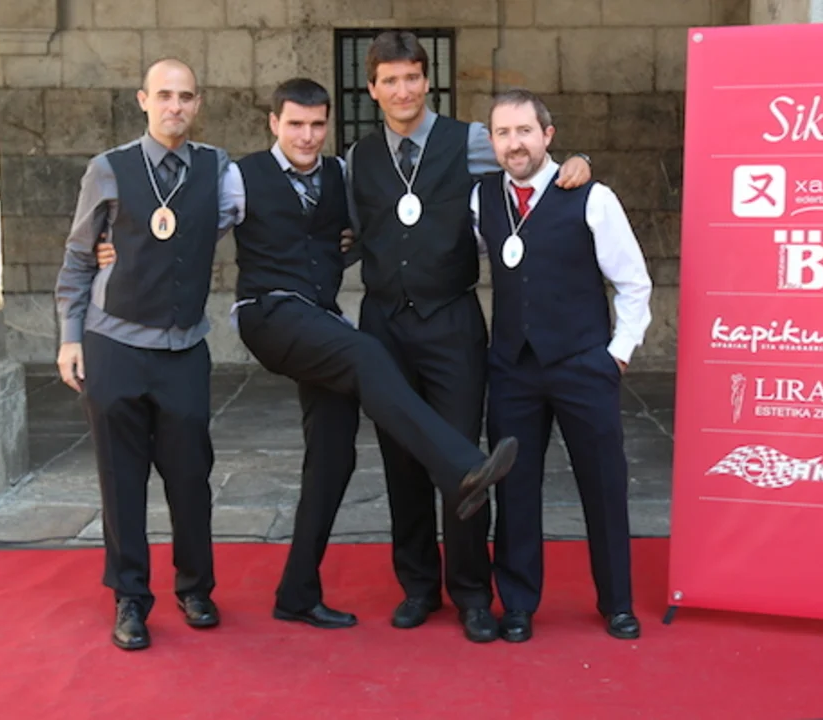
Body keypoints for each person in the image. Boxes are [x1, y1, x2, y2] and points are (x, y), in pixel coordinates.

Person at [95, 77, 521, 632]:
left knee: (334, 453)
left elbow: (377, 225)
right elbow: (186, 229)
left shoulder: (341, 173)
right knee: (367, 354)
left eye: (318, 125)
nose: (307, 135)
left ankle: (297, 591)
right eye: (295, 124)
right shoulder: (240, 178)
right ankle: (460, 465)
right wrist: (120, 249)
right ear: (274, 123)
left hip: (319, 319)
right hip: (268, 313)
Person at [346, 30, 592, 643]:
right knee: (400, 459)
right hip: (383, 326)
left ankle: (472, 594)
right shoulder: (359, 158)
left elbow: (529, 162)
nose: (403, 90)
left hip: (451, 322)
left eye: (412, 77)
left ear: (427, 80)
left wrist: (579, 164)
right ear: (373, 89)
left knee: (462, 459)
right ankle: (418, 586)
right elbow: (351, 230)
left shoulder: (472, 141)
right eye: (390, 80)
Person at [55, 58, 239, 651]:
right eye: (164, 95)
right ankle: (130, 598)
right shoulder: (107, 169)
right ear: (143, 100)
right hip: (114, 345)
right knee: (121, 479)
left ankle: (196, 587)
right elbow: (79, 257)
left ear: (198, 103)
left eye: (185, 96)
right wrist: (70, 337)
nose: (174, 106)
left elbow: (252, 222)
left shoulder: (218, 168)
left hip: (183, 348)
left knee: (191, 478)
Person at [471, 89, 653, 642]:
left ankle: (617, 601)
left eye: (525, 131)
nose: (515, 143)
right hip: (512, 368)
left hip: (582, 364)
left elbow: (633, 282)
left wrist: (617, 353)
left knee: (604, 484)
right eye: (503, 133)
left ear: (547, 135)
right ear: (492, 142)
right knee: (514, 489)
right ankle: (518, 604)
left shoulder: (592, 197)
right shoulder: (482, 199)